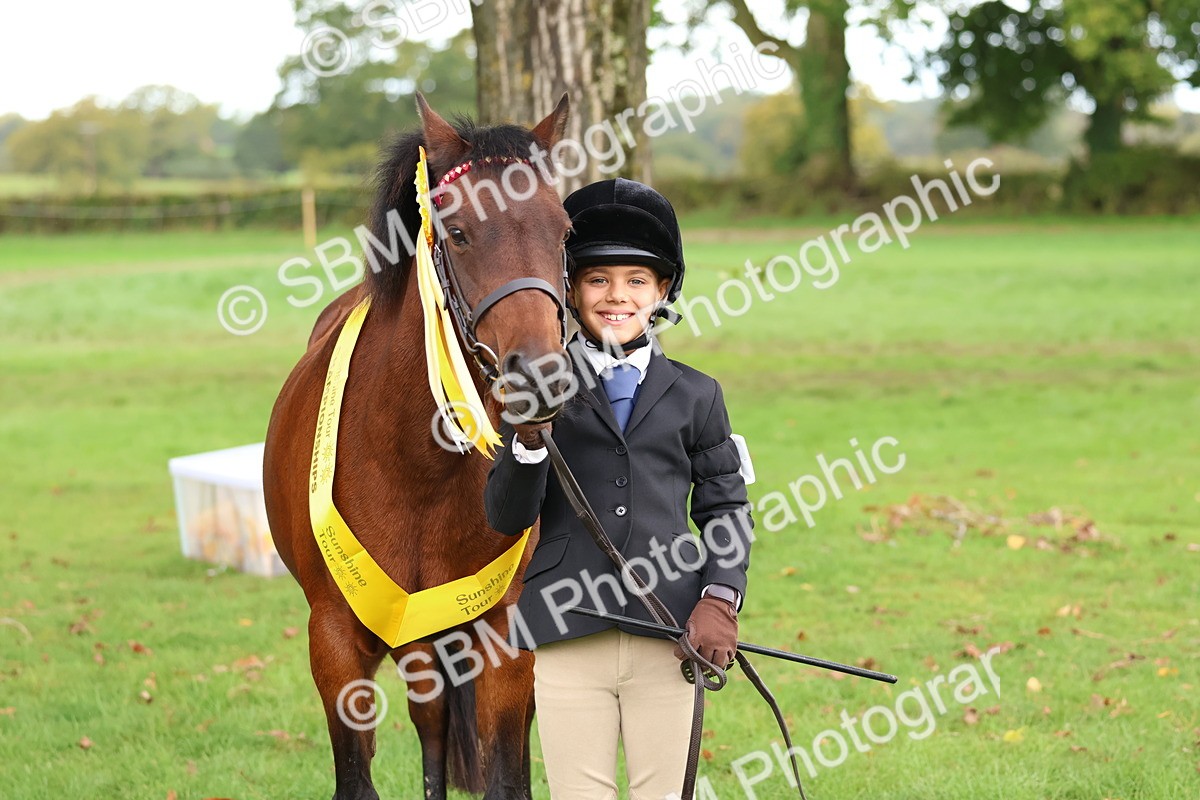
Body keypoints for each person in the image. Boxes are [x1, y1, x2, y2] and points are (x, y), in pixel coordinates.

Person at [483, 177, 755, 800]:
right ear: (571, 290)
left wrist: (721, 598)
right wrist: (527, 436)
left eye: (636, 281)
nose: (616, 297)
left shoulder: (698, 394)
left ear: (662, 292)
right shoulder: (535, 386)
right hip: (567, 629)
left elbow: (725, 506)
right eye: (599, 280)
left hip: (672, 629)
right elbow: (505, 515)